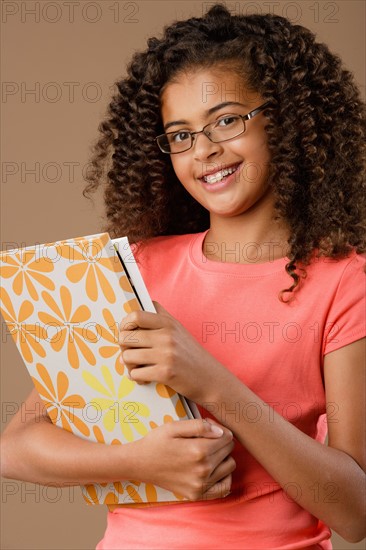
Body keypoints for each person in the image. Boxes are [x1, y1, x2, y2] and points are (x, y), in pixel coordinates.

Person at [1, 3, 365, 549]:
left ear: (284, 118)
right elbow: (16, 446)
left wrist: (211, 382)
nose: (205, 151)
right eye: (180, 135)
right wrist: (138, 462)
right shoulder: (138, 269)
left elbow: (357, 514)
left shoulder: (344, 282)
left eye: (226, 119)